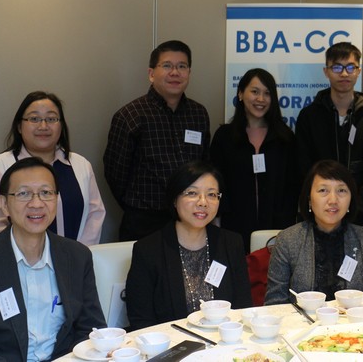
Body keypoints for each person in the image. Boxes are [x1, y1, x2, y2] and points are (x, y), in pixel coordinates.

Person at [0, 157, 105, 361]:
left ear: (56, 199)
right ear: (4, 204)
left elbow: (91, 330)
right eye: (23, 194)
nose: (36, 203)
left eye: (46, 193)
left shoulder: (77, 256)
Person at [125, 161, 252, 331]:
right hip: (172, 347)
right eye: (192, 193)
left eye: (212, 195)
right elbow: (141, 321)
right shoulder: (148, 250)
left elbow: (242, 307)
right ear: (174, 199)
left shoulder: (231, 243)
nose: (203, 202)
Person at [104, 40, 211, 241]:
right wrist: (139, 205)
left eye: (182, 66)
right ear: (151, 73)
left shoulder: (199, 114)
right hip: (144, 222)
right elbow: (115, 173)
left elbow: (205, 165)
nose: (175, 72)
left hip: (190, 219)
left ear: (189, 72)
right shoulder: (130, 115)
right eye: (167, 66)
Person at [0, 91, 106, 246]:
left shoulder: (80, 164)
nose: (43, 126)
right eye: (34, 119)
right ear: (19, 126)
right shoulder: (0, 166)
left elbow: (95, 215)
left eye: (51, 119)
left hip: (74, 264)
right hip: (19, 265)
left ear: (61, 125)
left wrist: (78, 256)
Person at [295, 42, 363, 230]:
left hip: (360, 218)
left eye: (350, 67)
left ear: (358, 70)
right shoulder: (309, 116)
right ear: (326, 71)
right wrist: (319, 210)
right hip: (318, 217)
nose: (344, 73)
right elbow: (303, 169)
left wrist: (357, 212)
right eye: (337, 67)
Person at [265, 160, 363, 304]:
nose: (333, 200)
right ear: (309, 199)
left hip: (356, 325)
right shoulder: (288, 240)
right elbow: (274, 303)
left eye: (341, 190)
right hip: (304, 324)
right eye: (323, 190)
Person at [210, 68, 299, 252]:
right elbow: (215, 183)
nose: (261, 99)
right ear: (241, 94)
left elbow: (292, 187)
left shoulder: (285, 138)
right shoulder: (224, 137)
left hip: (277, 229)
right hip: (233, 226)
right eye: (255, 91)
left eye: (267, 93)